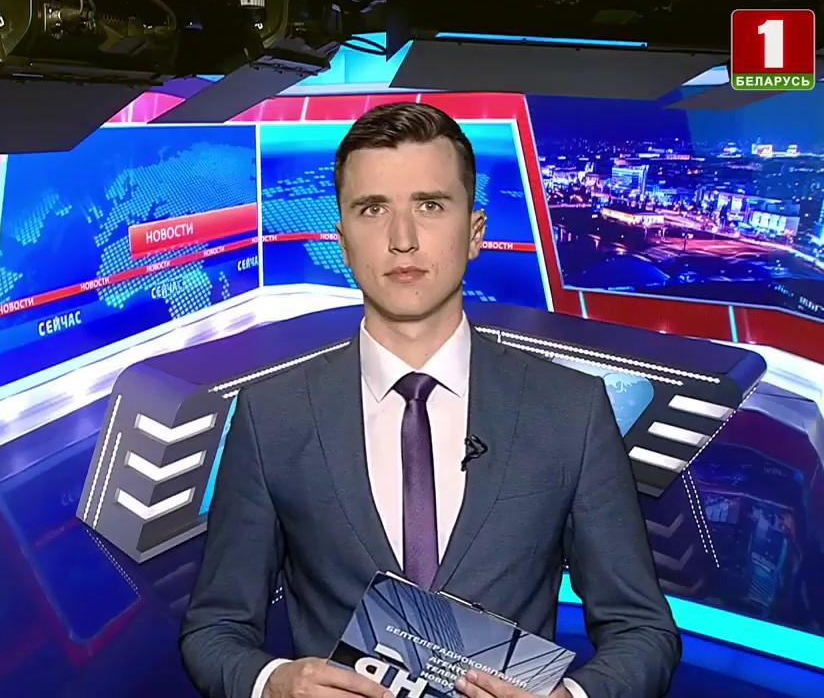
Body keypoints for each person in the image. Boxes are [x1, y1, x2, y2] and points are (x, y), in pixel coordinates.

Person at [179, 102, 680, 698]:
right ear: (342, 241)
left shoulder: (571, 409)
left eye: (431, 206)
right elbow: (213, 629)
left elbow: (643, 630)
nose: (403, 240)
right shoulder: (272, 416)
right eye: (373, 210)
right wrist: (272, 683)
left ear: (475, 233)